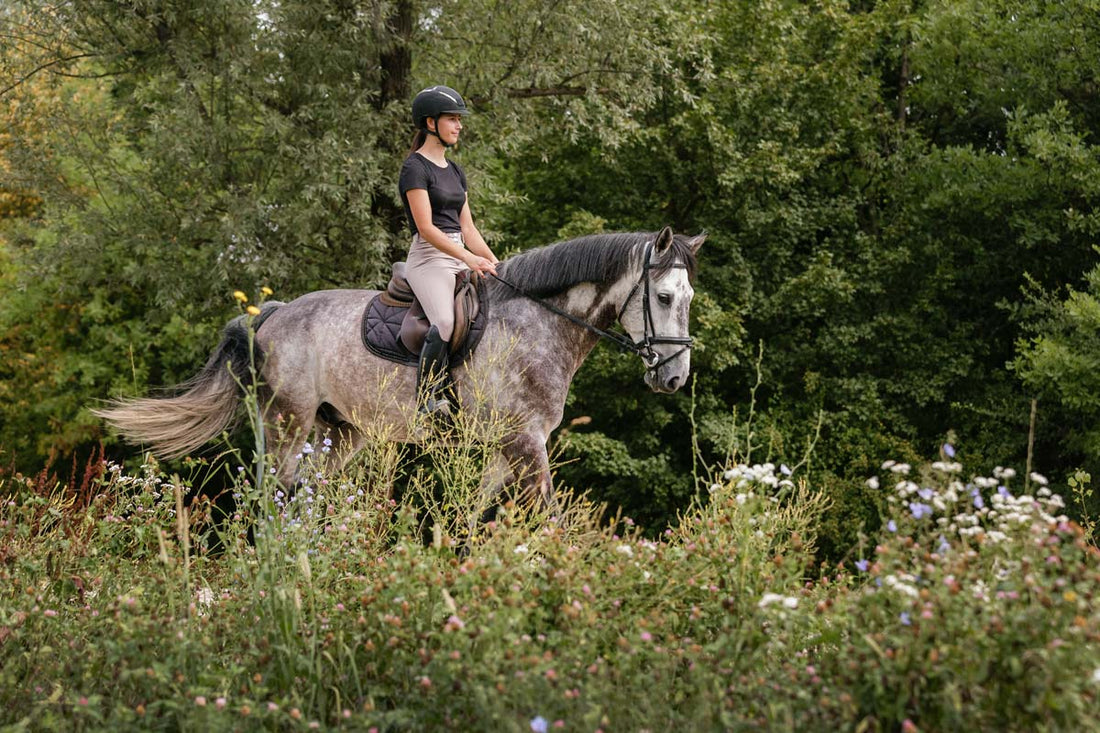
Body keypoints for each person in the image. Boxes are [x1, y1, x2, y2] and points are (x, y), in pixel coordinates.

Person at [399, 85, 498, 416]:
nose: (459, 126)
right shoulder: (415, 167)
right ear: (431, 123)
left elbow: (468, 229)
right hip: (429, 259)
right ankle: (427, 397)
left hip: (458, 255)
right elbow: (426, 228)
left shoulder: (456, 171)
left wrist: (496, 263)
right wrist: (468, 258)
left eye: (459, 120)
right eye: (452, 119)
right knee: (444, 320)